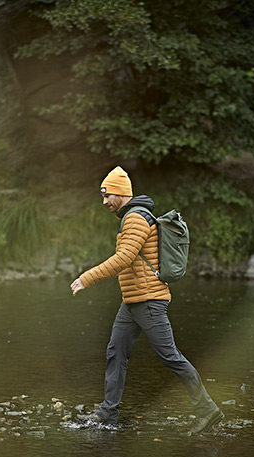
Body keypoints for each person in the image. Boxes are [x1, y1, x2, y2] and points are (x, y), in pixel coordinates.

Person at [70, 166, 224, 435]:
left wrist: (87, 278)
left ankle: (207, 410)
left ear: (120, 194)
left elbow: (124, 258)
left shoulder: (136, 219)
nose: (104, 201)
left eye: (107, 195)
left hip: (149, 300)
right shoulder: (131, 216)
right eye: (103, 196)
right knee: (116, 351)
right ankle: (108, 413)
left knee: (170, 356)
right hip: (133, 301)